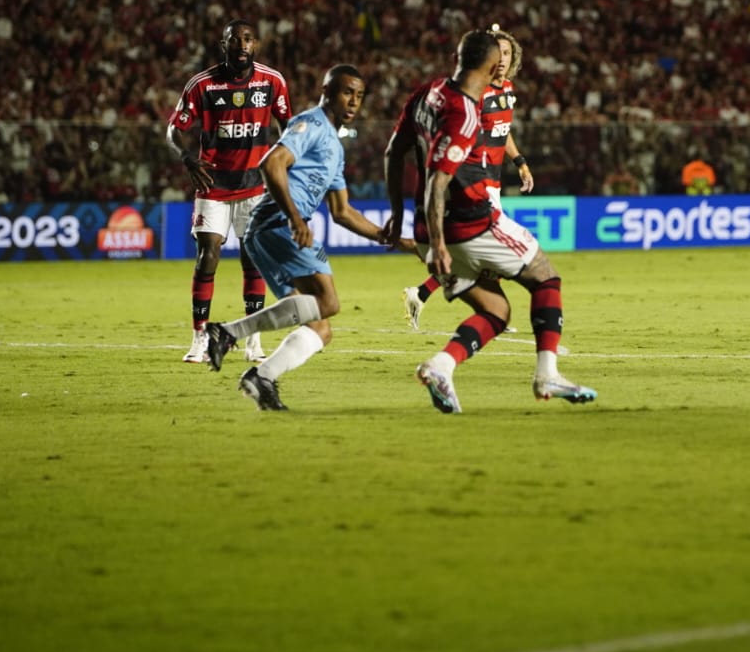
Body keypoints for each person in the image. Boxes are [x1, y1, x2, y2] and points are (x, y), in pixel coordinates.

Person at [384, 29, 595, 414]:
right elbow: (438, 180)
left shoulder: (426, 93)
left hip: (426, 231)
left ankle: (440, 366)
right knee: (545, 276)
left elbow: (392, 153)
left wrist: (400, 217)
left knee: (495, 312)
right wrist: (443, 242)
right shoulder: (465, 110)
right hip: (469, 224)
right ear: (489, 62)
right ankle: (547, 373)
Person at [204, 65, 412, 410]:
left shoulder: (336, 148)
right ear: (327, 91)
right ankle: (228, 333)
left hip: (274, 229)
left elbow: (343, 212)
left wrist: (392, 240)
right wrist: (295, 217)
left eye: (359, 96)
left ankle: (261, 377)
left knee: (321, 328)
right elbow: (272, 164)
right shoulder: (312, 123)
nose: (354, 102)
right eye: (347, 92)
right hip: (278, 224)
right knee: (328, 301)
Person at [167, 19, 292, 365]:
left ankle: (253, 340)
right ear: (223, 46)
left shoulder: (273, 81)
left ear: (257, 45)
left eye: (247, 39)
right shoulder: (203, 85)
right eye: (234, 39)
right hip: (214, 186)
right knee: (208, 256)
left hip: (254, 187)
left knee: (253, 262)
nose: (241, 45)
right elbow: (172, 131)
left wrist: (281, 168)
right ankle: (199, 338)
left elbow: (288, 129)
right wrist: (188, 158)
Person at [401, 24, 534, 331]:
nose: (501, 58)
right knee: (493, 251)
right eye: (497, 52)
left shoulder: (508, 90)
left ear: (513, 57)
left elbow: (503, 130)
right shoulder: (478, 91)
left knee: (481, 254)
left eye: (507, 52)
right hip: (476, 182)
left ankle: (421, 293)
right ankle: (493, 312)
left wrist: (520, 162)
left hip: (495, 181)